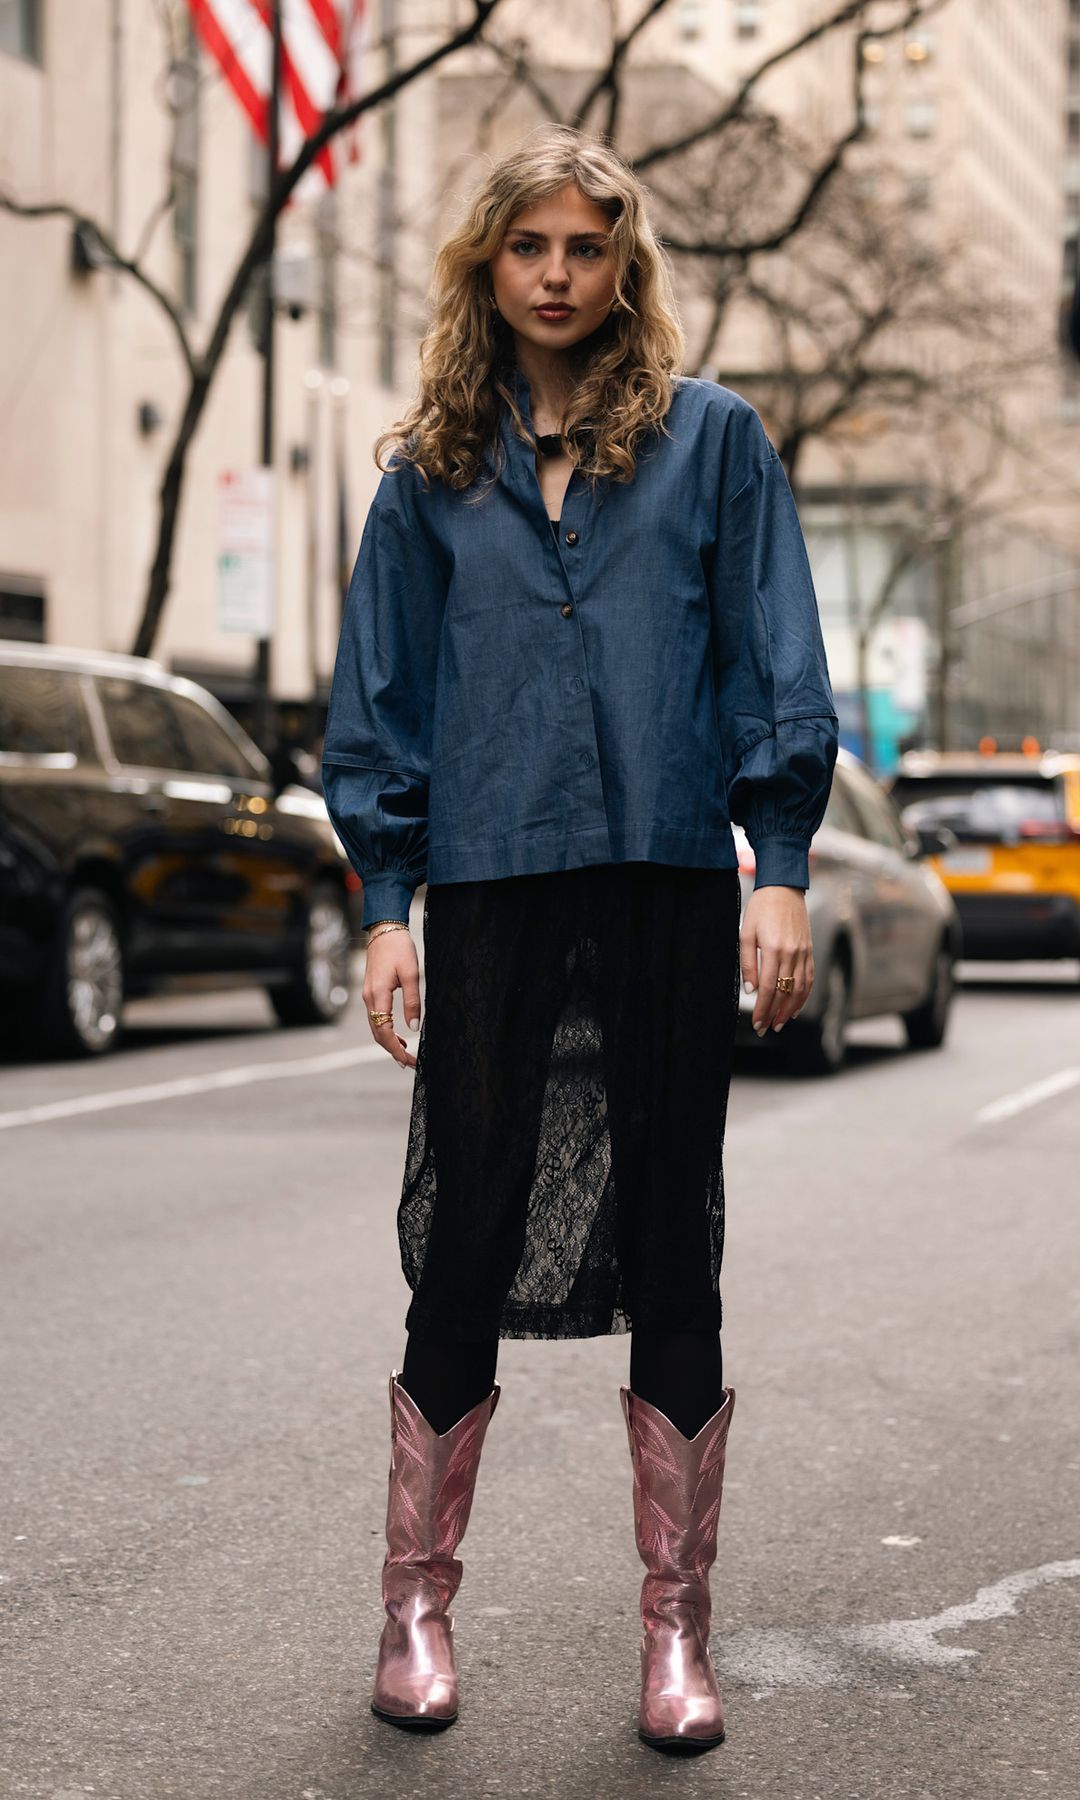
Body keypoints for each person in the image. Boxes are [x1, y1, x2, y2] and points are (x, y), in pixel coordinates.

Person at [321, 123, 838, 1756]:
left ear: (627, 271)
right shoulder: (426, 475)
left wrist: (780, 865)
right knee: (464, 1228)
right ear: (490, 262)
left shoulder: (714, 444)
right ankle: (416, 1608)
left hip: (668, 877)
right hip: (488, 882)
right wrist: (387, 908)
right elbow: (379, 710)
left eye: (587, 249)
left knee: (674, 1242)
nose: (558, 275)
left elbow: (772, 661)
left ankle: (676, 1636)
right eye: (530, 246)